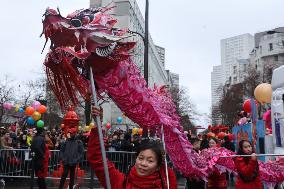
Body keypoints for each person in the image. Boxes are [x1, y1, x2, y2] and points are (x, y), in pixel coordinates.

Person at [88, 106, 177, 188]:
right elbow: (98, 159)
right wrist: (97, 125)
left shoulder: (167, 184)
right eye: (141, 158)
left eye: (150, 161)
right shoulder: (121, 183)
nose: (143, 164)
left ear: (158, 166)